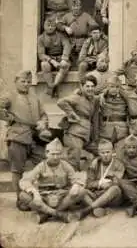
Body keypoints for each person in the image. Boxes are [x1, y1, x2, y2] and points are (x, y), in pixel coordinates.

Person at [0, 70, 51, 210]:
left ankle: (41, 196)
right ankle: (20, 200)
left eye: (28, 82)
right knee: (17, 170)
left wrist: (43, 122)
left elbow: (43, 114)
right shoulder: (9, 96)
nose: (26, 84)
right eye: (23, 81)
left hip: (35, 137)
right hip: (17, 137)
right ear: (16, 81)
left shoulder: (35, 97)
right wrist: (8, 118)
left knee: (44, 163)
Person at [18, 138, 86, 224]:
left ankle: (47, 214)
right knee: (23, 195)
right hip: (44, 198)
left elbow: (77, 178)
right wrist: (35, 193)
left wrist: (76, 185)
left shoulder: (65, 165)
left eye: (58, 154)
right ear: (47, 153)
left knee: (82, 191)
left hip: (62, 197)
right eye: (53, 154)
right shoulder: (41, 166)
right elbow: (25, 181)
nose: (56, 157)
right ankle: (60, 214)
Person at [57, 75, 99, 171]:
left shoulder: (94, 100)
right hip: (74, 134)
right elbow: (60, 102)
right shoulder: (77, 97)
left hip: (87, 135)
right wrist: (72, 114)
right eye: (87, 86)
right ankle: (71, 182)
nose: (90, 89)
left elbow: (95, 119)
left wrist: (95, 137)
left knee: (102, 151)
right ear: (82, 87)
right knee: (73, 161)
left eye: (92, 86)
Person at [77, 139, 124, 219]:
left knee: (115, 189)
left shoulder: (119, 164)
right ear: (99, 153)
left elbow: (117, 182)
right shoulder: (94, 164)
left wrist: (108, 184)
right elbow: (88, 184)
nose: (105, 155)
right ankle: (97, 208)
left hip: (111, 197)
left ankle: (88, 209)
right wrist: (99, 183)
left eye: (108, 152)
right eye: (103, 153)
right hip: (96, 195)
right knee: (80, 190)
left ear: (112, 152)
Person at [37, 17, 72, 97]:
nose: (50, 27)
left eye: (52, 26)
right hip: (49, 59)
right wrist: (52, 61)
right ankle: (51, 84)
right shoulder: (41, 38)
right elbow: (41, 54)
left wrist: (64, 58)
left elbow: (67, 46)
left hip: (60, 57)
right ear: (44, 26)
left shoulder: (61, 35)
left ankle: (53, 86)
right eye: (48, 25)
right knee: (44, 65)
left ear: (55, 27)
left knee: (65, 65)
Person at [97, 76, 129, 156]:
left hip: (121, 130)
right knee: (105, 153)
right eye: (112, 86)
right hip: (106, 129)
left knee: (120, 155)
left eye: (117, 87)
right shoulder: (101, 97)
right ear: (107, 87)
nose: (114, 89)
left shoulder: (125, 97)